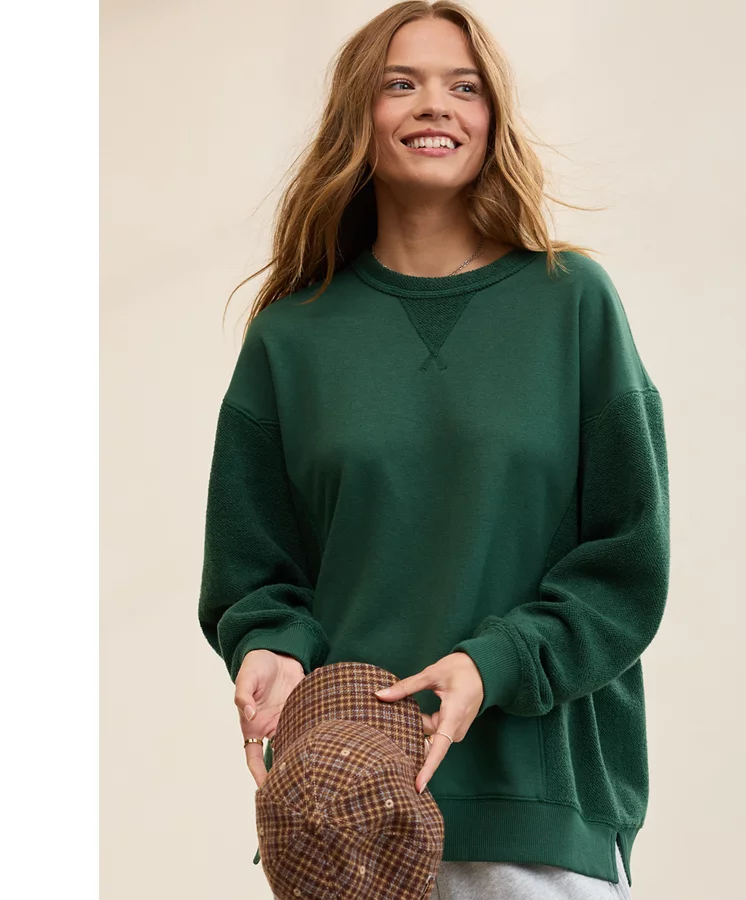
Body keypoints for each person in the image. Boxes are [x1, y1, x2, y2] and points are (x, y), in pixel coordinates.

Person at [197, 2, 670, 898]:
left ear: (492, 118)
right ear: (357, 115)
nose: (434, 105)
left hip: (535, 815)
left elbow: (626, 566)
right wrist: (269, 647)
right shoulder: (291, 337)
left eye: (465, 86)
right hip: (344, 825)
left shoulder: (573, 304)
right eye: (400, 83)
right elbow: (255, 573)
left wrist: (494, 664)